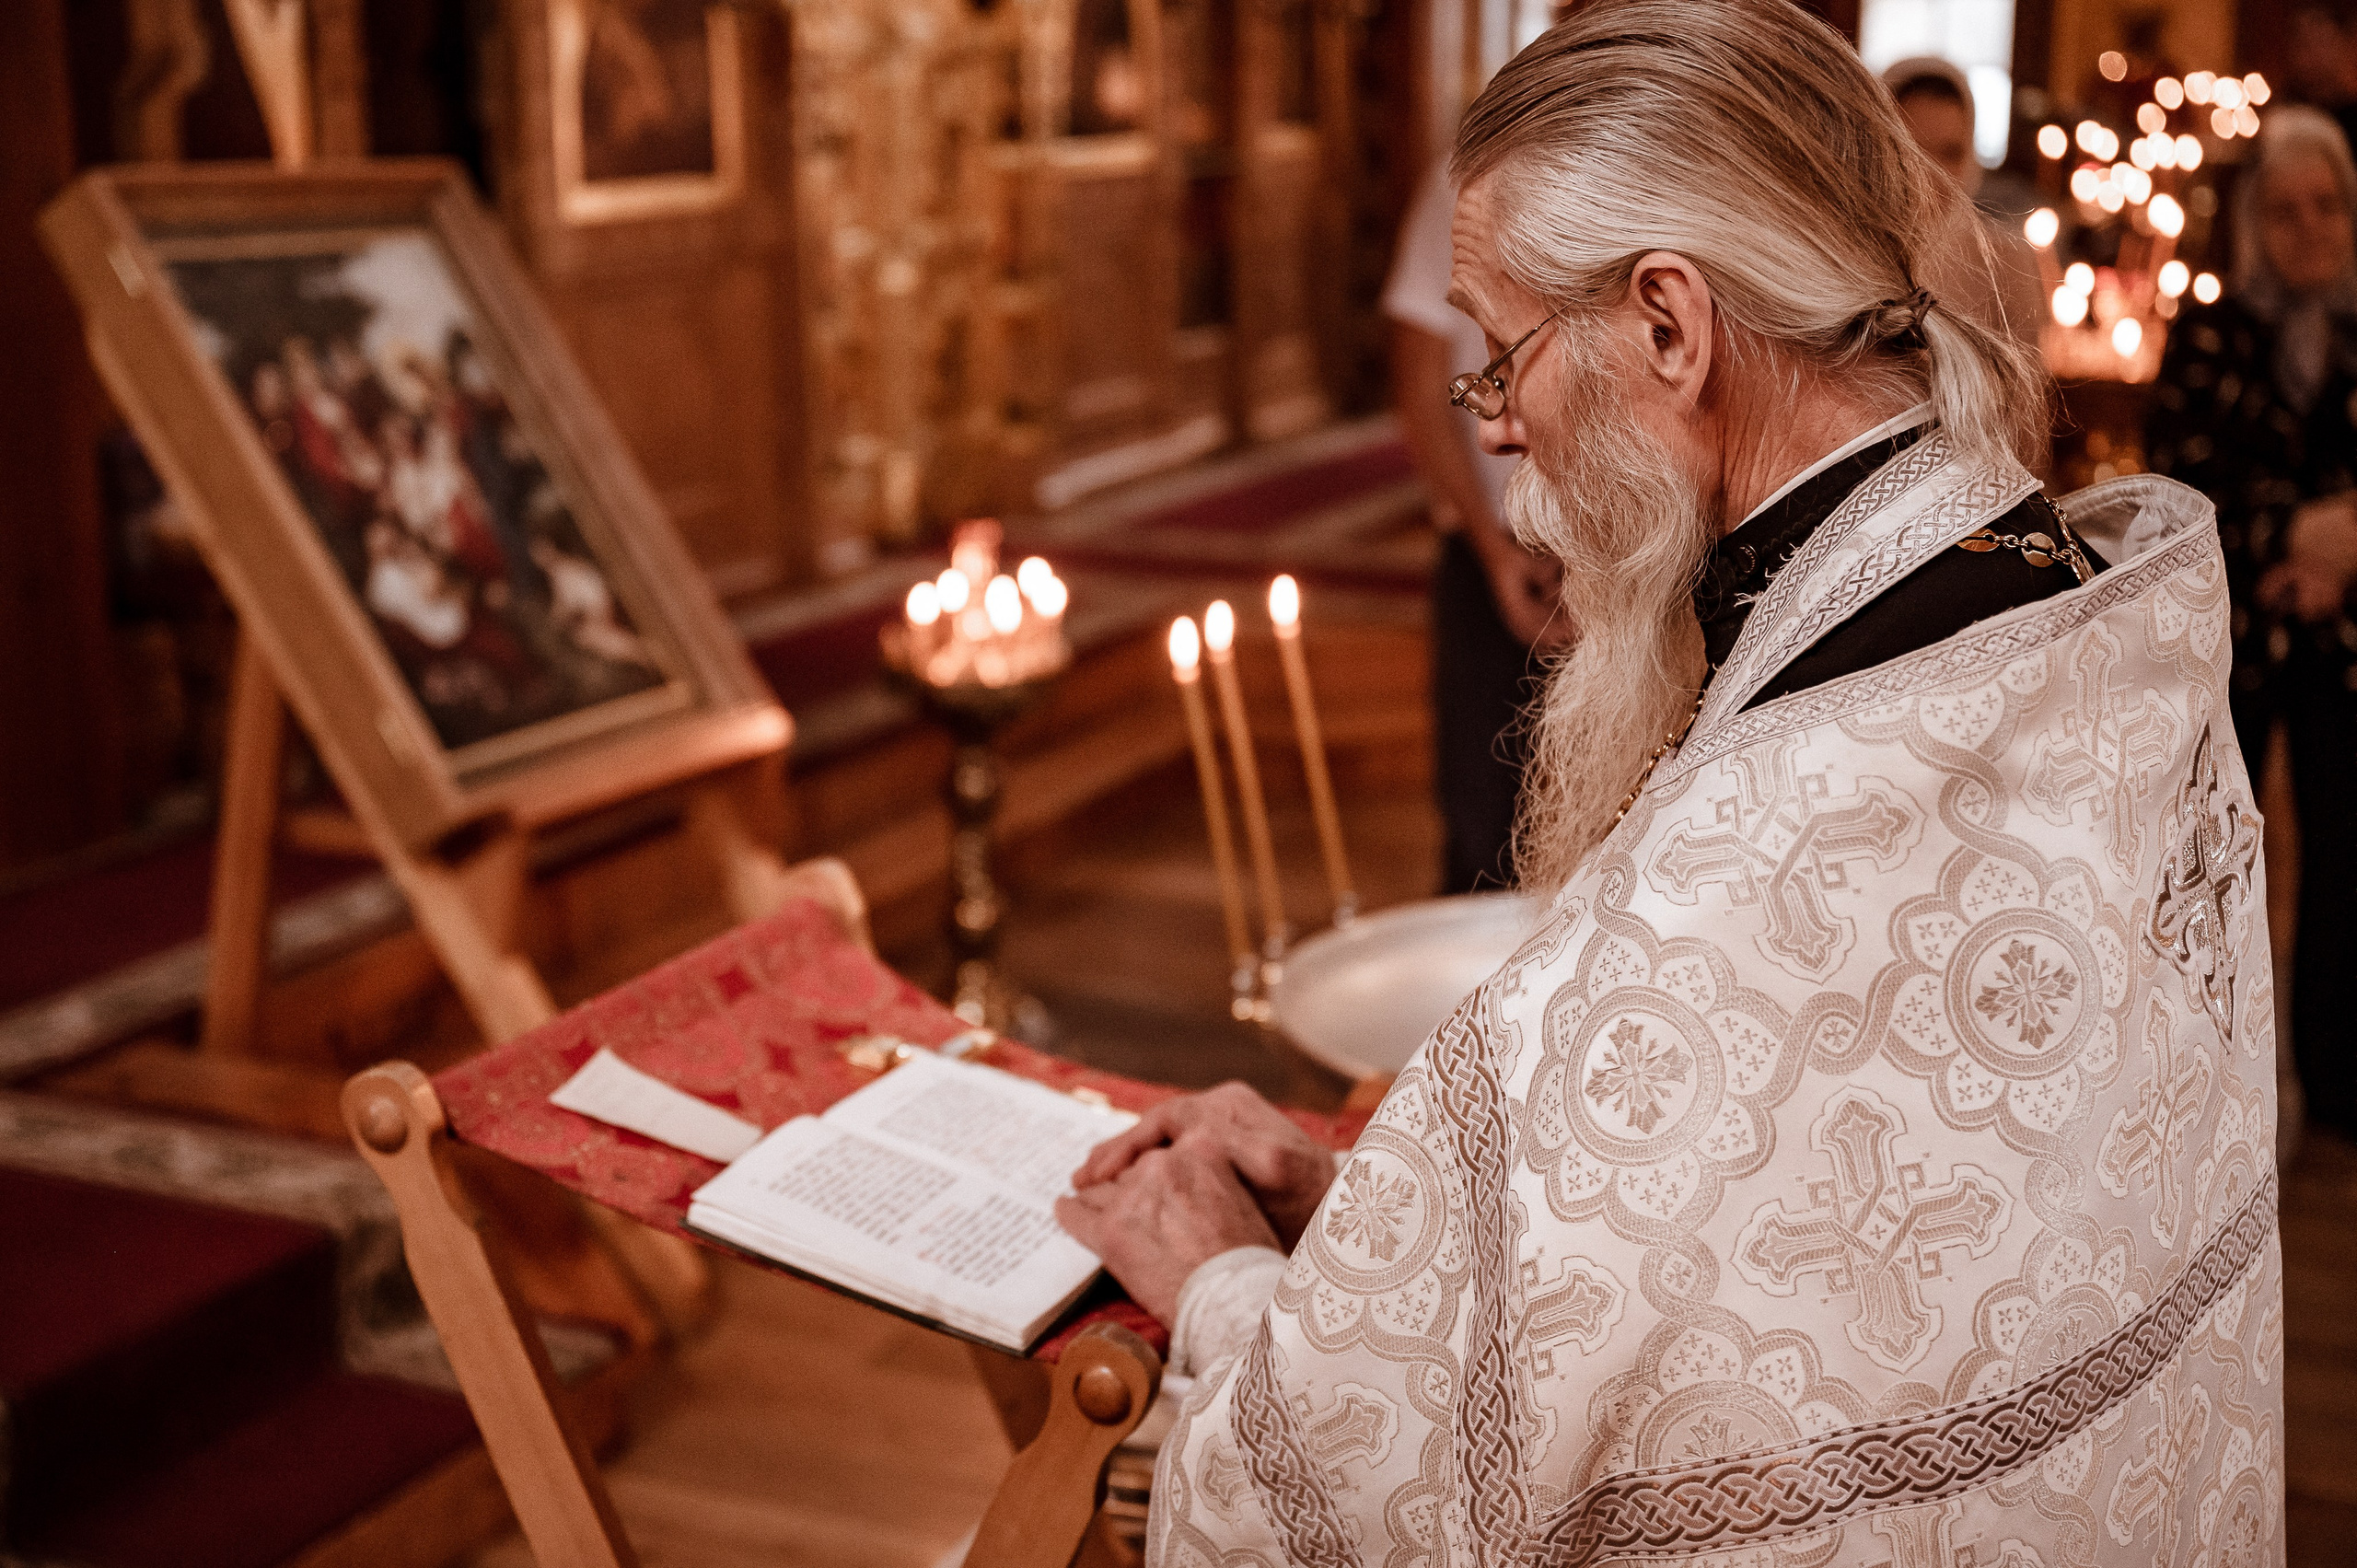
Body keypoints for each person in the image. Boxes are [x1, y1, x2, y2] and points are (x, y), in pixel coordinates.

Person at [1058, 2, 2282, 1561]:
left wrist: (1232, 1275)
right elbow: (1794, 1256)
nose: (1499, 444)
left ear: (1668, 326)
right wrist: (1383, 1212)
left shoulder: (1761, 845)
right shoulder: (2053, 607)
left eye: (1500, 361)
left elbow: (1351, 1492)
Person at [2148, 104, 2357, 1138]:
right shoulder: (2209, 329)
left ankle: (2335, 1080)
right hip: (2233, 629)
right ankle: (2209, 1074)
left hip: (2345, 634)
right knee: (2217, 852)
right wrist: (2296, 541)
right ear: (2250, 222)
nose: (2307, 228)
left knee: (2346, 859)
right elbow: (2181, 490)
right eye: (2283, 210)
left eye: (2327, 207)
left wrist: (2340, 556)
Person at [1386, 161, 1570, 891]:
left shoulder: (1663, 166)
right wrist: (1494, 552)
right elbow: (1421, 385)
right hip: (1493, 545)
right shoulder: (1467, 182)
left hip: (1633, 552)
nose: (1497, 426)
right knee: (1482, 829)